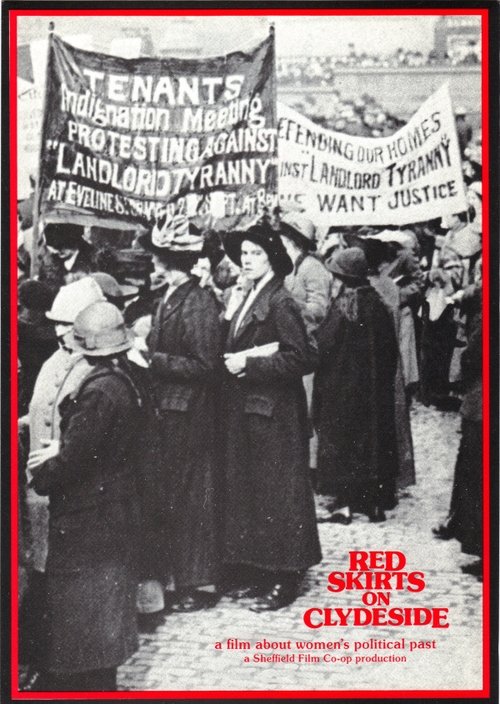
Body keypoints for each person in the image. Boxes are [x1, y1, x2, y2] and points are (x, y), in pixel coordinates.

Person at [26, 302, 147, 691]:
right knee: (103, 609)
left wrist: (44, 472)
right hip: (114, 510)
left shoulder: (97, 393)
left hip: (87, 517)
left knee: (79, 613)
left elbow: (74, 460)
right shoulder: (123, 380)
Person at [221, 222, 321, 611]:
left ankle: (286, 576)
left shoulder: (280, 300)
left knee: (280, 495)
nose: (245, 260)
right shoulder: (251, 295)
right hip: (254, 412)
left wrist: (250, 365)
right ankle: (264, 570)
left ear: (272, 259)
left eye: (254, 254)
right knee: (258, 492)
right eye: (243, 253)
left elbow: (304, 357)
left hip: (275, 415)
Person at [19, 278, 106, 684]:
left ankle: (54, 667)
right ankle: (38, 659)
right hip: (41, 489)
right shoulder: (55, 360)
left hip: (74, 495)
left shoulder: (99, 371)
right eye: (55, 323)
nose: (58, 331)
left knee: (65, 584)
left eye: (67, 324)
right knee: (40, 571)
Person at [139, 213, 221, 613]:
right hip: (169, 412)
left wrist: (152, 360)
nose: (153, 265)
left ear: (172, 263)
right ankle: (179, 578)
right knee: (174, 496)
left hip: (189, 414)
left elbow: (206, 365)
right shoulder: (170, 298)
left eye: (158, 259)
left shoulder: (199, 303)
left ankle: (196, 583)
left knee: (191, 498)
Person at [313, 248, 399, 524]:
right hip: (374, 392)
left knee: (343, 441)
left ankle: (345, 505)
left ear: (343, 277)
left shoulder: (344, 305)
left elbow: (324, 344)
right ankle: (374, 505)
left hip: (343, 388)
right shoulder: (377, 302)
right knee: (372, 442)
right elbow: (390, 349)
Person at [38, 223, 96, 293]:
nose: (57, 251)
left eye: (61, 247)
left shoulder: (93, 258)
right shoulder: (50, 262)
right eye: (54, 248)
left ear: (74, 241)